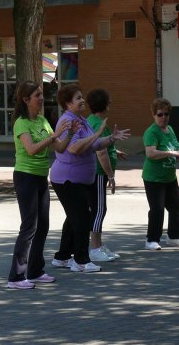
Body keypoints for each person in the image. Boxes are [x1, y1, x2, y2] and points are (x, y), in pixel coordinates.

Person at [50, 84, 129, 273]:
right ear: (68, 104)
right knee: (82, 218)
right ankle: (81, 261)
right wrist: (98, 134)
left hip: (80, 179)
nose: (82, 100)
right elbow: (75, 148)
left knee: (74, 217)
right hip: (68, 179)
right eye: (78, 98)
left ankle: (62, 257)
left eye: (81, 97)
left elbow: (94, 145)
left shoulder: (81, 120)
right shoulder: (68, 121)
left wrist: (111, 138)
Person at [6, 82, 78, 290]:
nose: (41, 98)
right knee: (29, 226)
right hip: (25, 177)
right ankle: (16, 277)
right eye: (37, 95)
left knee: (42, 225)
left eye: (41, 95)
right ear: (26, 100)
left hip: (40, 178)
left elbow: (60, 148)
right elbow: (31, 150)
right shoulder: (21, 123)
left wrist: (70, 133)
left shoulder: (43, 120)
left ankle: (35, 271)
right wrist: (53, 136)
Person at [142, 98, 179, 250]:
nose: (163, 117)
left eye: (166, 114)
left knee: (176, 206)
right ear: (153, 115)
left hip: (169, 177)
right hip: (154, 178)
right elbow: (151, 153)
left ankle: (174, 237)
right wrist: (171, 152)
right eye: (160, 114)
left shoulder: (169, 130)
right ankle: (151, 240)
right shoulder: (151, 132)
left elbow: (176, 147)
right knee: (157, 209)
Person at [86, 89, 129, 262]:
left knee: (98, 209)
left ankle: (99, 245)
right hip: (99, 173)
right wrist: (110, 176)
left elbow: (101, 146)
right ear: (105, 104)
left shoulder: (93, 120)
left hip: (96, 173)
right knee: (99, 210)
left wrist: (114, 150)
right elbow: (100, 153)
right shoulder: (97, 123)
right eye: (109, 101)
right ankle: (95, 248)